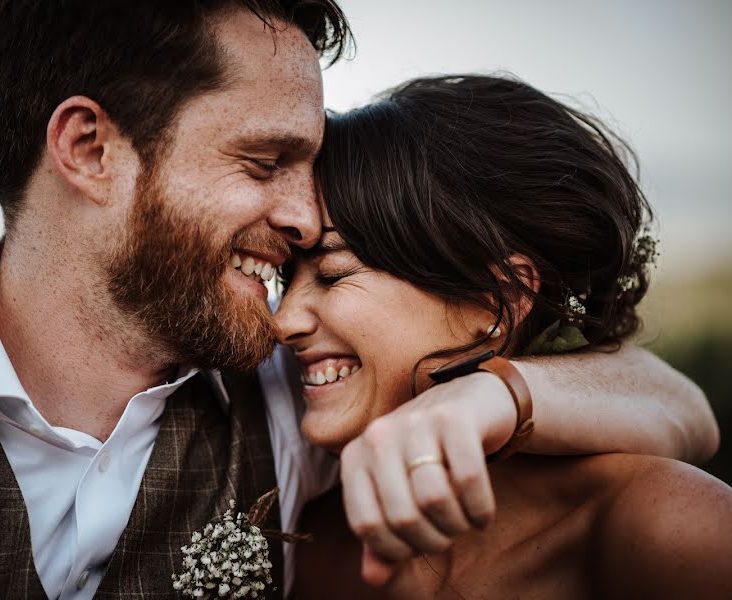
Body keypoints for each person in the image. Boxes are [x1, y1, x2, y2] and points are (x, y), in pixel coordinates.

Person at [0, 2, 719, 597]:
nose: (300, 220)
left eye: (333, 269)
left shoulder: (287, 403)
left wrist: (489, 399)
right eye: (263, 163)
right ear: (90, 148)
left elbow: (675, 406)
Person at [279, 74, 732, 599]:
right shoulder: (311, 549)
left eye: (333, 274)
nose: (283, 320)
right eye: (287, 278)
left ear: (498, 303)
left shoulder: (661, 525)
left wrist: (494, 393)